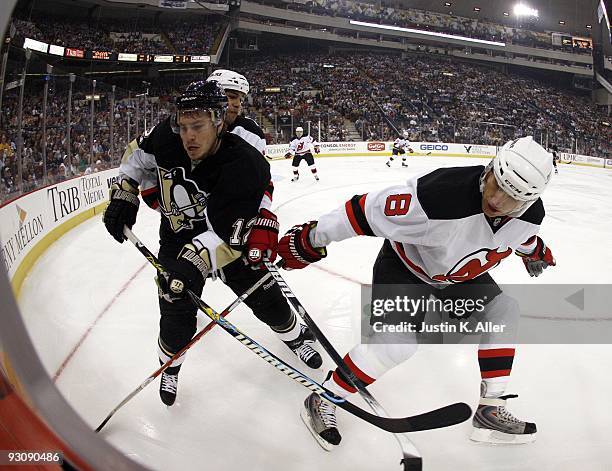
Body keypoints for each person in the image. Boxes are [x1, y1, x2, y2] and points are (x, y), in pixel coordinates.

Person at [277, 136, 556, 448]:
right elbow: (362, 211)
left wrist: (535, 252)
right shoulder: (437, 196)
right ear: (490, 168)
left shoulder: (530, 216)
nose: (498, 201)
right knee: (396, 345)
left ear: (528, 203)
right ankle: (326, 396)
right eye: (497, 184)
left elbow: (521, 238)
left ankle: (490, 408)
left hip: (457, 277)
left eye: (513, 199)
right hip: (405, 269)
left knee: (505, 310)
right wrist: (313, 238)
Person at [102, 81, 322, 407]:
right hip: (176, 236)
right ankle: (171, 365)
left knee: (265, 296)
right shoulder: (166, 136)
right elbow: (136, 156)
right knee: (175, 310)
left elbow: (225, 233)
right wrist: (125, 190)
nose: (189, 136)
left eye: (198, 126)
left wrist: (194, 261)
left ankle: (293, 336)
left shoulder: (244, 162)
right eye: (184, 126)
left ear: (218, 122)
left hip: (226, 238)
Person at [206, 69, 267, 156]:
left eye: (241, 100)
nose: (238, 104)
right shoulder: (187, 126)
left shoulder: (250, 130)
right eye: (232, 96)